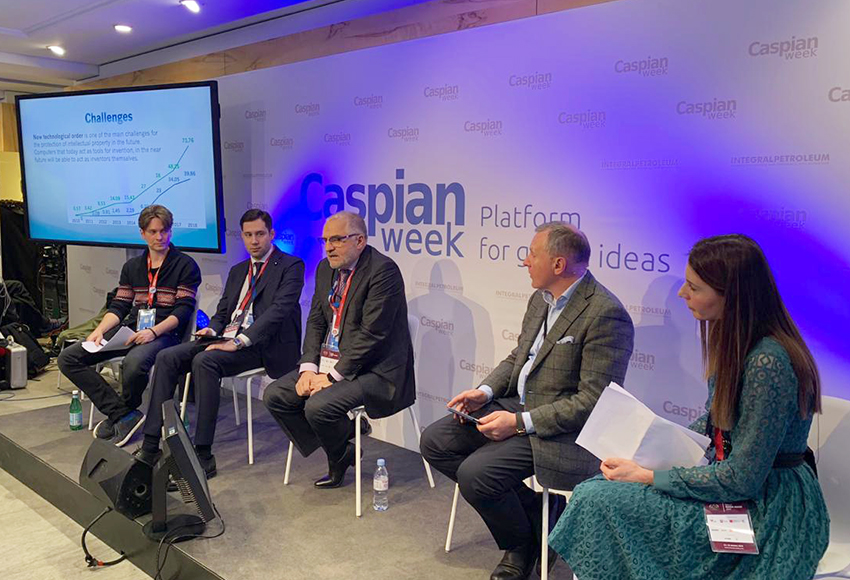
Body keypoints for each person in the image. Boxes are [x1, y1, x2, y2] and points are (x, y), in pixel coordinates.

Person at [549, 234, 830, 580]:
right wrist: (646, 453)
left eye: (694, 287)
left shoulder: (767, 363)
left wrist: (649, 475)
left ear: (732, 295)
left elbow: (742, 478)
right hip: (742, 493)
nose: (683, 293)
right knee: (599, 489)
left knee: (598, 499)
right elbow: (715, 425)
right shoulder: (740, 345)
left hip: (769, 514)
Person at [420, 222, 634, 580]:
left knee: (477, 475)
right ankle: (538, 512)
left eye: (532, 254)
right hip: (517, 407)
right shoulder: (541, 299)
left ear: (558, 264)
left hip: (562, 431)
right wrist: (485, 392)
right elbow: (519, 357)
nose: (524, 261)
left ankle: (520, 545)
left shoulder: (605, 313)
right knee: (434, 441)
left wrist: (520, 423)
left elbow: (593, 401)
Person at [134, 209, 304, 475]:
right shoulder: (238, 270)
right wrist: (212, 330)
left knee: (205, 361)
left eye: (260, 234)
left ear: (272, 234)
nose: (254, 240)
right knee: (167, 357)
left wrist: (240, 341)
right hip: (227, 338)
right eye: (248, 235)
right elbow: (223, 311)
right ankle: (151, 443)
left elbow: (278, 312)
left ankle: (203, 452)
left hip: (262, 344)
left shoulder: (291, 266)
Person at [263, 211, 415, 488]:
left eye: (337, 239)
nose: (329, 247)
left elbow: (373, 334)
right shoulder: (325, 268)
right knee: (275, 395)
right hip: (329, 361)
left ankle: (338, 450)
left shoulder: (383, 271)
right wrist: (308, 368)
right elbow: (316, 320)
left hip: (375, 369)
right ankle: (342, 448)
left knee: (317, 406)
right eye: (325, 240)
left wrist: (332, 377)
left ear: (360, 241)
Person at [58, 205, 201, 447]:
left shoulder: (185, 265)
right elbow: (120, 306)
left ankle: (124, 414)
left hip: (165, 333)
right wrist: (100, 330)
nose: (160, 237)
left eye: (164, 231)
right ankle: (122, 414)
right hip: (131, 329)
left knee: (133, 363)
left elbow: (183, 312)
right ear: (142, 233)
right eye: (153, 232)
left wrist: (153, 332)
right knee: (68, 358)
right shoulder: (133, 267)